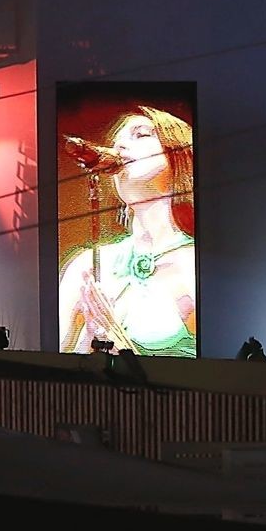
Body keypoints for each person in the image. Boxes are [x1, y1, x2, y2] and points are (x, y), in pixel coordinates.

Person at [58, 105, 196, 357]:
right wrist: (88, 342)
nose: (119, 146)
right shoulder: (87, 266)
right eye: (116, 142)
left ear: (179, 154)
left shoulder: (196, 265)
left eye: (141, 135)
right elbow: (56, 365)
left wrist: (120, 344)